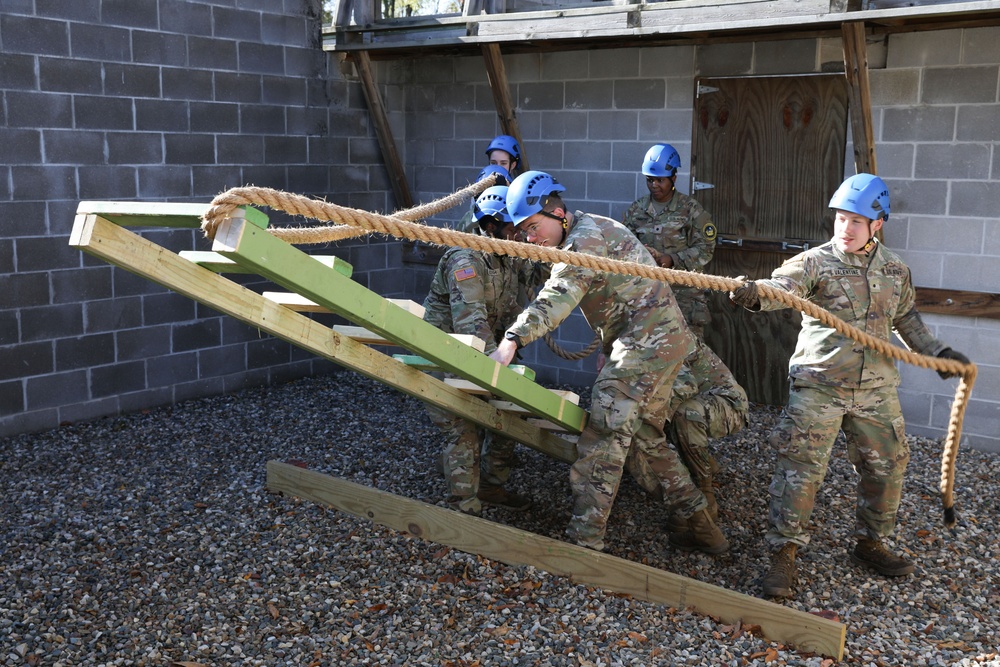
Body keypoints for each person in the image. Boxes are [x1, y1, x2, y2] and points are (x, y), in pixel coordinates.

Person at [729, 173, 971, 598]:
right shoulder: (814, 262)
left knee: (889, 466)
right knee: (800, 471)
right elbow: (780, 290)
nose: (845, 227)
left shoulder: (896, 269)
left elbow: (907, 320)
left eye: (856, 221)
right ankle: (783, 554)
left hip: (876, 388)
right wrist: (754, 295)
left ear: (878, 223)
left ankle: (871, 543)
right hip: (819, 385)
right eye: (840, 218)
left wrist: (939, 354)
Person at [490, 170, 728, 555]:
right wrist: (608, 347)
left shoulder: (583, 240)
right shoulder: (590, 228)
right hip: (659, 341)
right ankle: (702, 526)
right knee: (647, 437)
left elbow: (560, 293)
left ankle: (585, 541)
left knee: (604, 433)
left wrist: (513, 339)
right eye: (524, 233)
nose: (531, 238)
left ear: (557, 212)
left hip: (647, 343)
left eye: (533, 227)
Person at [423, 185, 532, 516]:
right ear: (490, 226)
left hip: (479, 355)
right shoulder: (465, 259)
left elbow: (537, 275)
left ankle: (490, 486)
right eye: (513, 227)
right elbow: (471, 323)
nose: (520, 234)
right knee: (464, 429)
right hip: (444, 358)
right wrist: (498, 375)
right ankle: (465, 506)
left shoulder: (505, 255)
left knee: (508, 419)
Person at [624, 336, 748, 531]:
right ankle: (697, 469)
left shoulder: (667, 335)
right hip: (696, 402)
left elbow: (685, 385)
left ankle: (704, 488)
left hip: (727, 404)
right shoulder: (638, 336)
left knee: (682, 415)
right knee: (646, 415)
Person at [622, 143, 718, 337]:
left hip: (684, 301)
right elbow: (622, 246)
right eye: (649, 180)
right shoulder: (637, 209)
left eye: (660, 180)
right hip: (646, 299)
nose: (654, 185)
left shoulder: (691, 209)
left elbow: (706, 249)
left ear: (673, 178)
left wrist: (672, 259)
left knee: (687, 360)